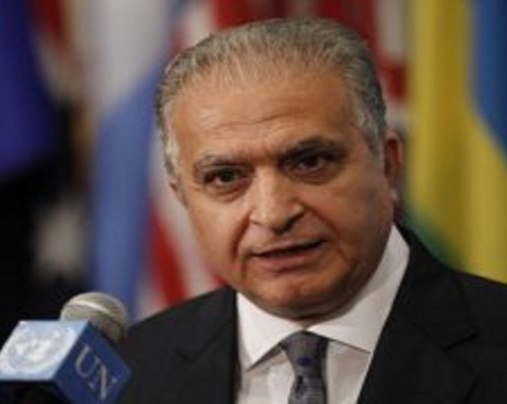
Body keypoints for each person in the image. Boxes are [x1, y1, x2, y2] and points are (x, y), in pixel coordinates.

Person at [119, 17, 507, 403]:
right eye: (226, 177)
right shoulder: (131, 372)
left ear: (387, 164)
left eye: (309, 162)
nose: (274, 214)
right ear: (182, 197)